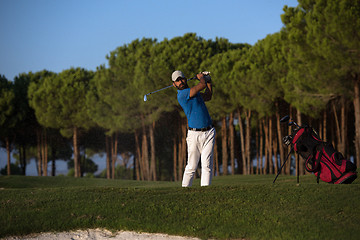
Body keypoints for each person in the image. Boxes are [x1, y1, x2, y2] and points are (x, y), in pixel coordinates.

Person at [172, 70, 216, 187]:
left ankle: (205, 191)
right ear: (174, 84)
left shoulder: (194, 93)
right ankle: (185, 191)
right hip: (194, 135)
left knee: (207, 165)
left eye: (181, 79)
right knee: (191, 166)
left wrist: (209, 81)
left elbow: (208, 96)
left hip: (209, 132)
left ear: (185, 79)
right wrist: (201, 78)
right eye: (177, 81)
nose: (181, 82)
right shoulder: (182, 95)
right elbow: (201, 86)